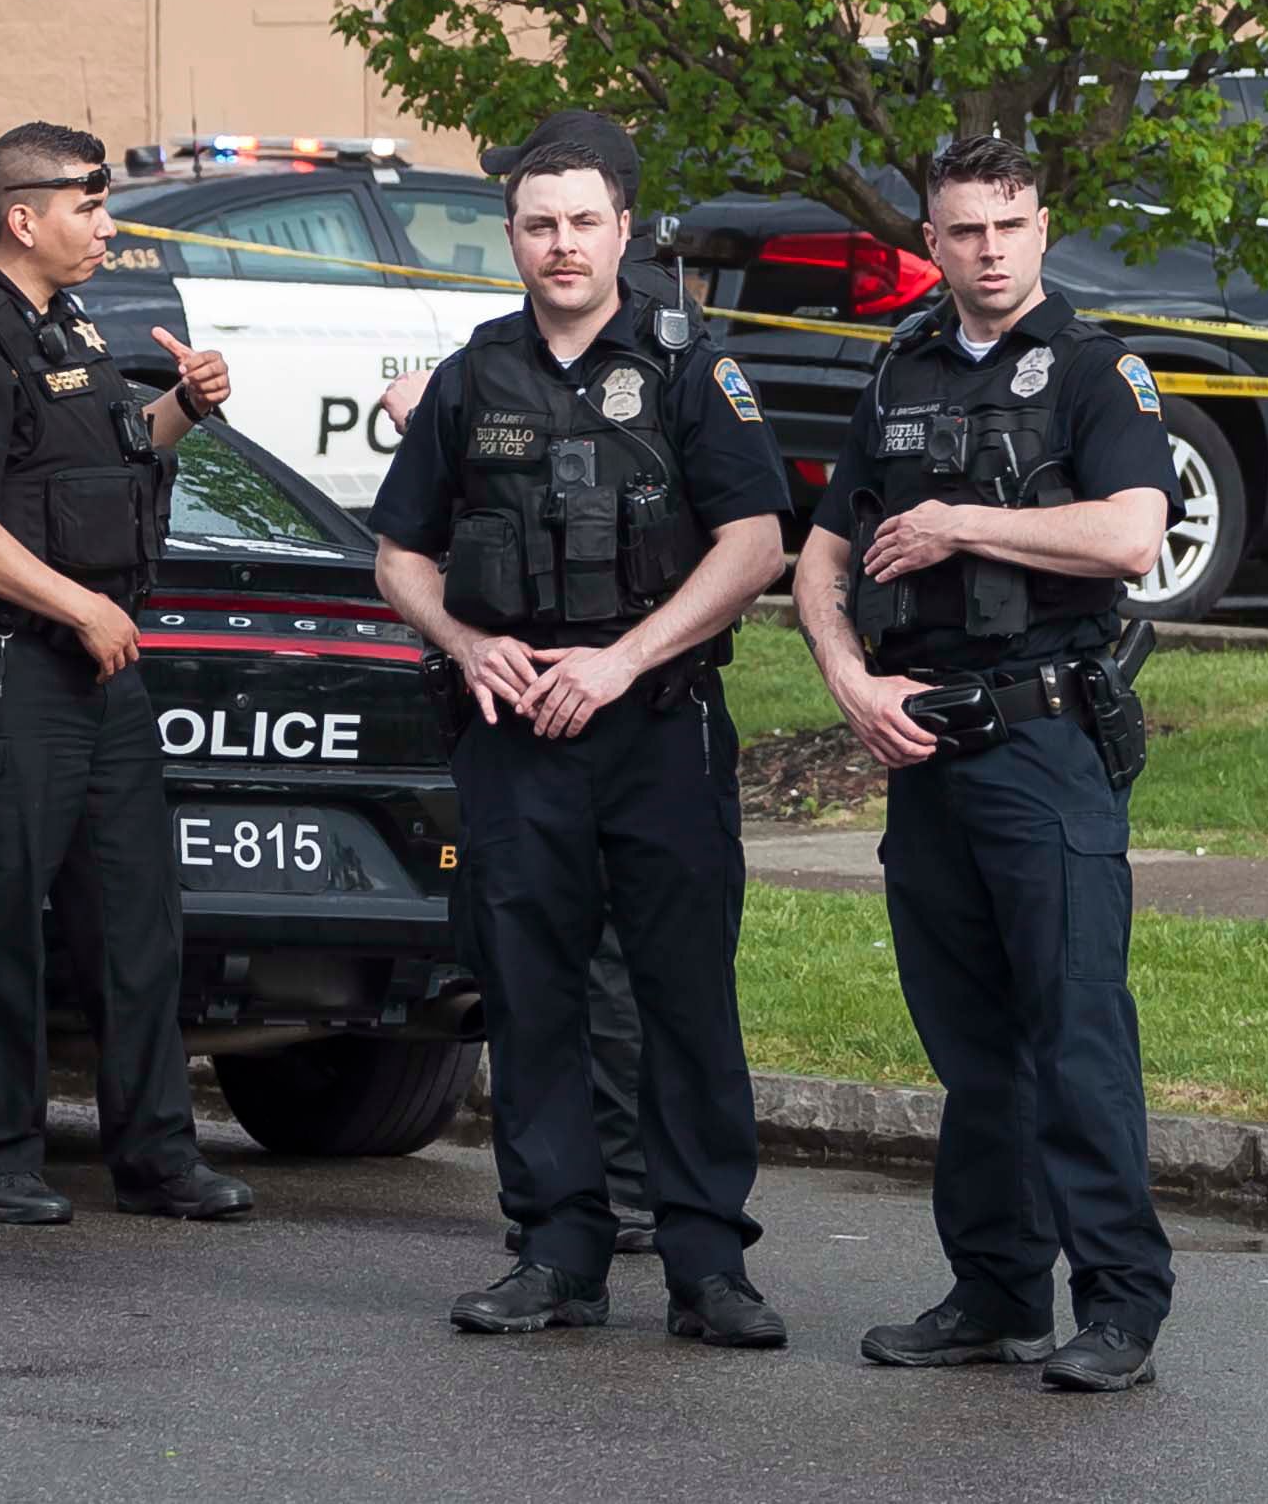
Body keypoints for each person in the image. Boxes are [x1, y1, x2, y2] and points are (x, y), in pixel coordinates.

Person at [372, 113, 791, 1345]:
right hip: (515, 741)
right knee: (535, 995)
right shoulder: (472, 377)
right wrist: (466, 642)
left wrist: (620, 662)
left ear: (623, 232)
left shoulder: (688, 368)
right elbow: (399, 555)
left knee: (684, 1000)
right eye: (540, 225)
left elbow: (756, 543)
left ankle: (711, 1267)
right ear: (511, 237)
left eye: (584, 223)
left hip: (656, 728)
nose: (562, 246)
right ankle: (556, 1255)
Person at [790, 135, 1178, 1393]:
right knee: (970, 1045)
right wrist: (849, 682)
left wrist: (962, 519)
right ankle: (997, 1289)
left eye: (1008, 227)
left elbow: (1131, 532)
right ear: (932, 239)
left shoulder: (1094, 370)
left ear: (1043, 228)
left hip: (1046, 742)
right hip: (923, 746)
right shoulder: (898, 366)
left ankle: (1119, 1304)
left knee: (1074, 1030)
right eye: (964, 230)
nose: (989, 251)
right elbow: (822, 553)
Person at [0, 120, 257, 1226]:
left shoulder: (71, 327)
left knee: (136, 920)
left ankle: (155, 1156)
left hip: (98, 670)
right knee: (4, 920)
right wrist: (81, 606)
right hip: (9, 673)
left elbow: (109, 462)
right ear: (23, 217)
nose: (107, 226)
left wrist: (183, 408)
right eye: (89, 209)